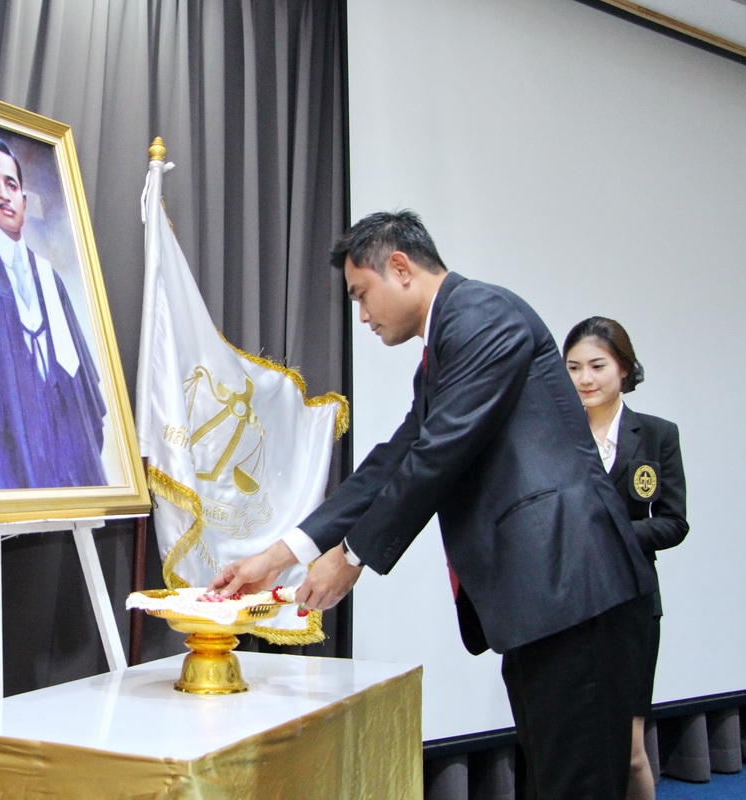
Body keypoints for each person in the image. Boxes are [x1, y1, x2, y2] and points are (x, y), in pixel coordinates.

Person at [210, 210, 657, 799]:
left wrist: (351, 557)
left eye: (361, 294)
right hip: (545, 596)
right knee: (555, 779)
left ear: (400, 267)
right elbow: (395, 459)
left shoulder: (482, 315)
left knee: (577, 784)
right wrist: (280, 555)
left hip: (573, 585)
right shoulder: (450, 339)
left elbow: (439, 453)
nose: (362, 315)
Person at [0, 130, 107, 490]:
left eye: (11, 184)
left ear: (24, 198)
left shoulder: (49, 277)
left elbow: (83, 388)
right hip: (6, 451)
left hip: (63, 450)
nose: (3, 193)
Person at [564, 316, 688, 800]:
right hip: (565, 603)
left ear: (624, 368)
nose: (585, 378)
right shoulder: (554, 433)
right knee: (572, 747)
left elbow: (673, 522)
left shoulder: (656, 434)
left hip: (631, 604)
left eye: (597, 365)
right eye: (574, 367)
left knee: (629, 750)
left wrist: (608, 535)